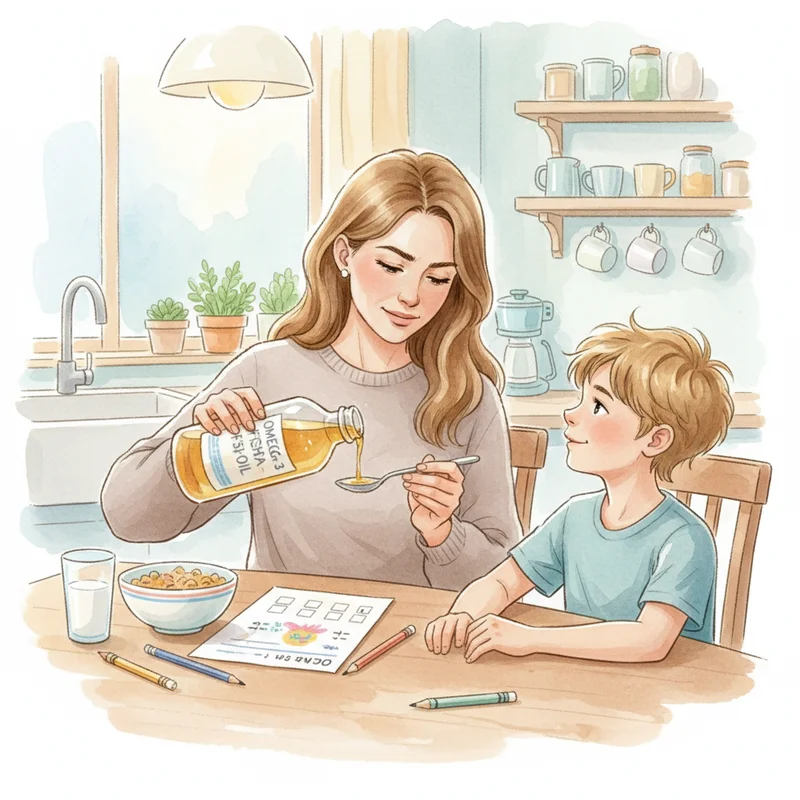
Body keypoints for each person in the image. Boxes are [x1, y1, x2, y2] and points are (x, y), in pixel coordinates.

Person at [102, 149, 522, 590]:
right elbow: (129, 520)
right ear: (344, 254)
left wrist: (444, 535)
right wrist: (194, 450)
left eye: (437, 278)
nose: (411, 296)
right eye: (392, 266)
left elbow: (504, 576)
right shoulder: (268, 373)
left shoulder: (465, 397)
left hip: (410, 645)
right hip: (281, 639)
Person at [425, 315, 734, 661]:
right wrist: (464, 614)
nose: (571, 414)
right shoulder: (576, 516)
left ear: (656, 439)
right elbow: (502, 581)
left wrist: (533, 639)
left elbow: (650, 640)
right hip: (588, 689)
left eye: (598, 406)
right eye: (581, 399)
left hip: (665, 701)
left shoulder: (685, 538)